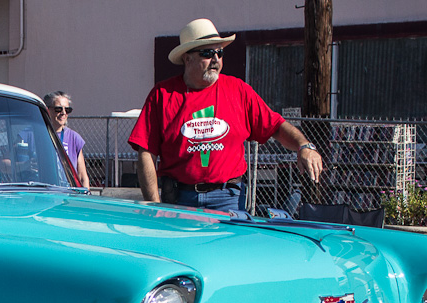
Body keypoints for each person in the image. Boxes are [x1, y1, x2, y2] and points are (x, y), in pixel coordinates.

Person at [128, 18, 323, 212]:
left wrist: (304, 146)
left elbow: (276, 126)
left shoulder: (238, 90)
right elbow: (146, 152)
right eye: (207, 53)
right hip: (180, 199)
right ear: (187, 58)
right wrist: (154, 207)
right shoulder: (163, 95)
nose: (215, 59)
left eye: (219, 53)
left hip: (228, 198)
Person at [44, 92, 90, 188]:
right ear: (47, 110)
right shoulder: (32, 135)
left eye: (67, 109)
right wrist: (27, 164)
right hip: (42, 192)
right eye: (58, 109)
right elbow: (8, 162)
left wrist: (85, 197)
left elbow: (82, 176)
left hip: (67, 194)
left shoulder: (74, 138)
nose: (63, 113)